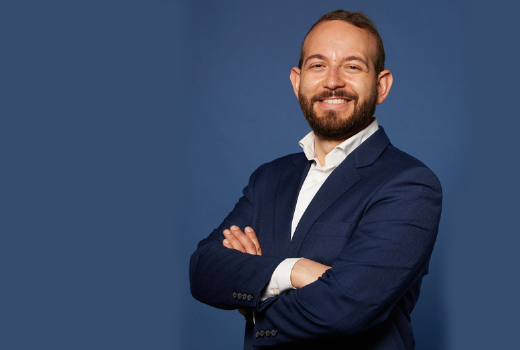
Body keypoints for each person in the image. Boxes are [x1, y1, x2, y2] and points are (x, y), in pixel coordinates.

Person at [189, 9, 442, 350]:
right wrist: (294, 271)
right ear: (297, 81)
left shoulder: (410, 184)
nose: (333, 81)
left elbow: (345, 309)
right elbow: (204, 270)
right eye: (318, 65)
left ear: (381, 86)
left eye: (352, 66)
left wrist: (254, 297)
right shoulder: (269, 179)